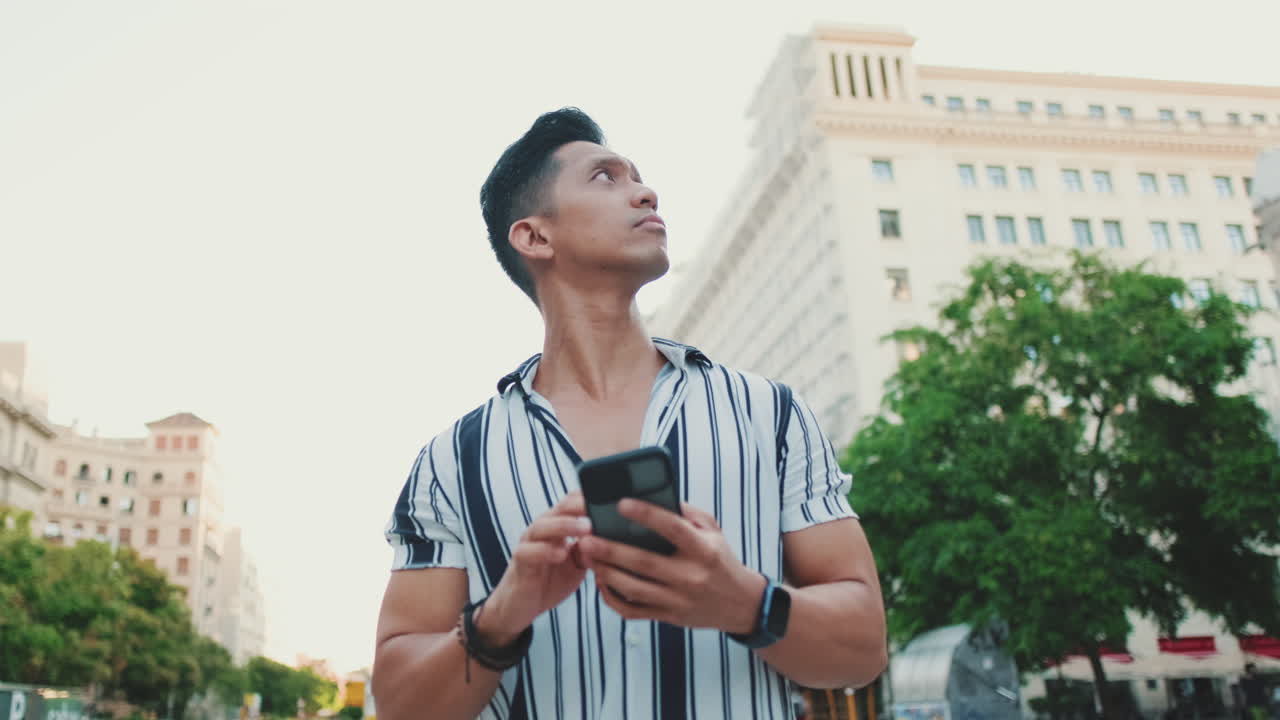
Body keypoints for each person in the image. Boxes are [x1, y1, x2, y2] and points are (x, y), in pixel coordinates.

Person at [372, 107, 887, 720]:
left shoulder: (769, 414)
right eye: (605, 178)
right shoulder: (452, 461)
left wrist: (743, 601)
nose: (645, 191)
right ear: (535, 237)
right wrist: (500, 616)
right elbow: (400, 704)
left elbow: (863, 650)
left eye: (637, 176)